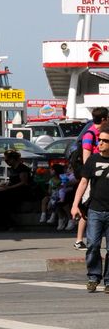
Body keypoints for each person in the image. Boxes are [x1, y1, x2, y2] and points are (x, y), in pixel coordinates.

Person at [71, 120, 109, 293]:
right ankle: (93, 277)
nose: (100, 143)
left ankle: (108, 281)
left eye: (105, 141)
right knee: (93, 245)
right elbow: (83, 182)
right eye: (99, 140)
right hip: (95, 210)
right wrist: (75, 204)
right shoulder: (93, 160)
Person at [73, 106, 108, 251]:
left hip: (101, 175)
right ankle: (79, 239)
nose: (101, 142)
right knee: (88, 206)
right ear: (104, 119)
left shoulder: (103, 133)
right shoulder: (90, 134)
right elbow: (87, 158)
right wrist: (88, 175)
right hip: (92, 176)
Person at [0, 150, 34, 230]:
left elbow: (23, 182)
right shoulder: (13, 168)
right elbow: (12, 180)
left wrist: (9, 187)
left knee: (3, 199)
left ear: (13, 159)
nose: (6, 162)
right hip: (13, 188)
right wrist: (5, 184)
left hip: (21, 191)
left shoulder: (22, 168)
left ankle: (7, 223)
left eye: (7, 160)